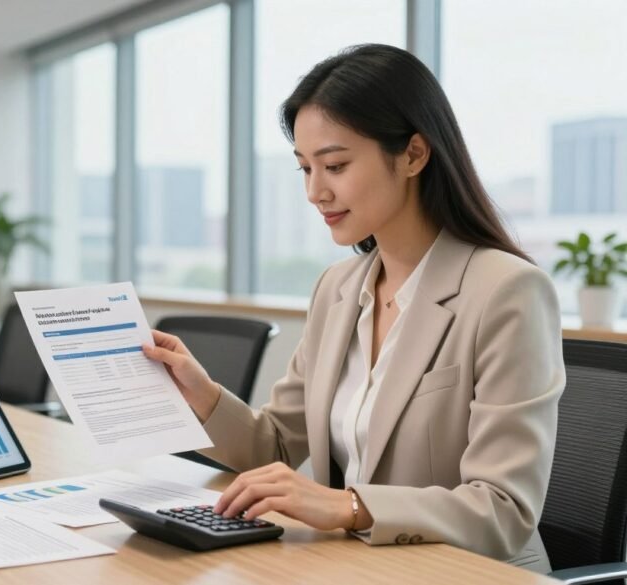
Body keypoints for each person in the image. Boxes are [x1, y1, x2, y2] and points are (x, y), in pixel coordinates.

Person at [142, 44, 565, 573]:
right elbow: (274, 447)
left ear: (413, 154)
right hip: (357, 568)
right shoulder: (337, 289)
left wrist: (349, 506)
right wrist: (200, 394)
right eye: (305, 169)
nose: (315, 191)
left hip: (468, 574)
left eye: (336, 165)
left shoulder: (507, 291)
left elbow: (504, 510)